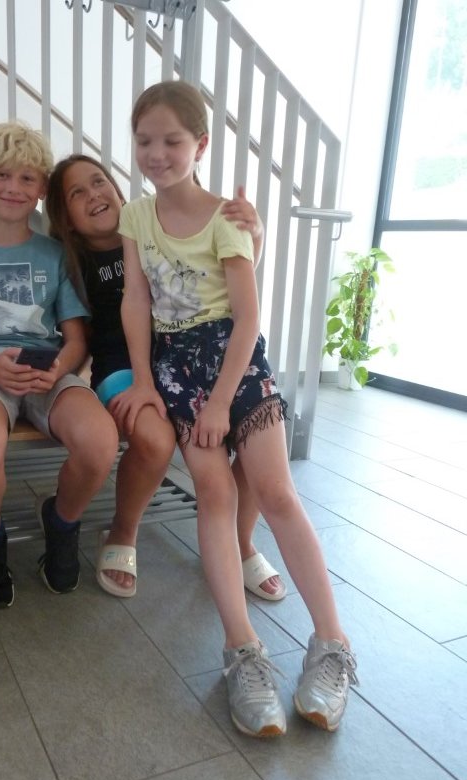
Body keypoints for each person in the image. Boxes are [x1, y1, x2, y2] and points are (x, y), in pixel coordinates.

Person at [116, 80, 358, 736]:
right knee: (215, 493)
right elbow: (136, 299)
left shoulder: (229, 217)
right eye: (144, 140)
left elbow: (248, 316)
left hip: (236, 362)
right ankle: (242, 651)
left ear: (200, 145)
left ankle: (332, 644)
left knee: (276, 492)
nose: (156, 153)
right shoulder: (135, 217)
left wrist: (222, 400)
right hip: (176, 366)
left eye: (171, 140)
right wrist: (144, 379)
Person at [45, 154, 286, 602]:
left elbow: (219, 278)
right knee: (156, 441)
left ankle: (240, 541)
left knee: (253, 428)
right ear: (67, 219)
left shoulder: (157, 227)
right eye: (77, 193)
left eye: (99, 181)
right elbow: (74, 334)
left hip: (186, 358)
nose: (94, 194)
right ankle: (123, 530)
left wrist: (256, 235)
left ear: (116, 188)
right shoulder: (69, 263)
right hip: (121, 368)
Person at [0, 121, 119, 609]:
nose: (14, 187)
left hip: (48, 371)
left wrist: (59, 368)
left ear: (41, 189)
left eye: (27, 178)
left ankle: (62, 521)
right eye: (2, 175)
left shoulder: (55, 255)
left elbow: (76, 339)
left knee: (100, 442)